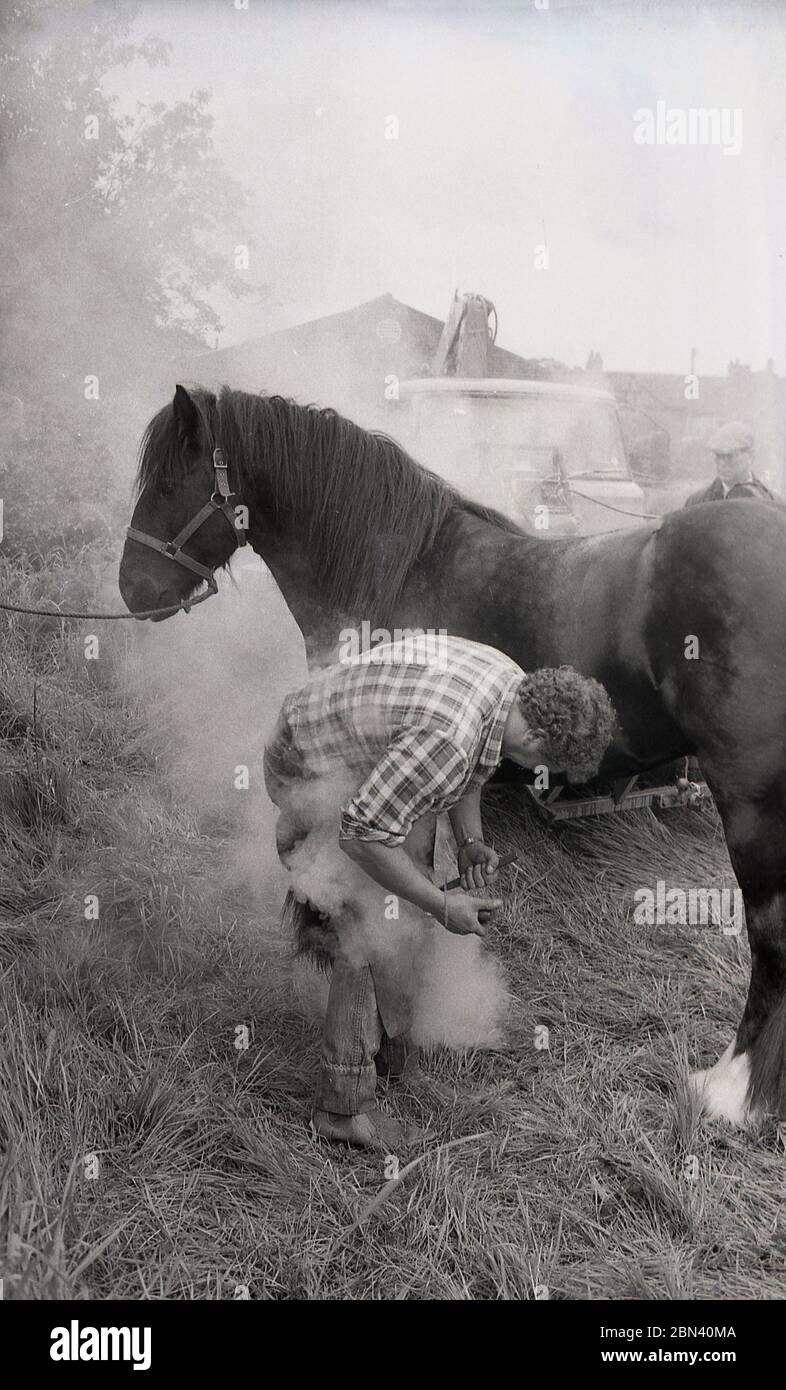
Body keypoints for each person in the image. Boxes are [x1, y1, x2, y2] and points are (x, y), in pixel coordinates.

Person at [264, 634, 617, 1152]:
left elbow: (470, 767)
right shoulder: (449, 738)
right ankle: (343, 1108)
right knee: (369, 922)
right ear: (538, 739)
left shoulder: (509, 685)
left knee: (413, 877)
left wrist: (472, 843)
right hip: (303, 763)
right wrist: (441, 904)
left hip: (363, 749)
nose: (542, 775)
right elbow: (360, 834)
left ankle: (385, 1041)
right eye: (551, 767)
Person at [684, 421, 780, 507]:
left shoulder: (774, 504)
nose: (722, 463)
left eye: (730, 456)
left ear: (750, 456)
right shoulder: (696, 503)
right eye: (718, 455)